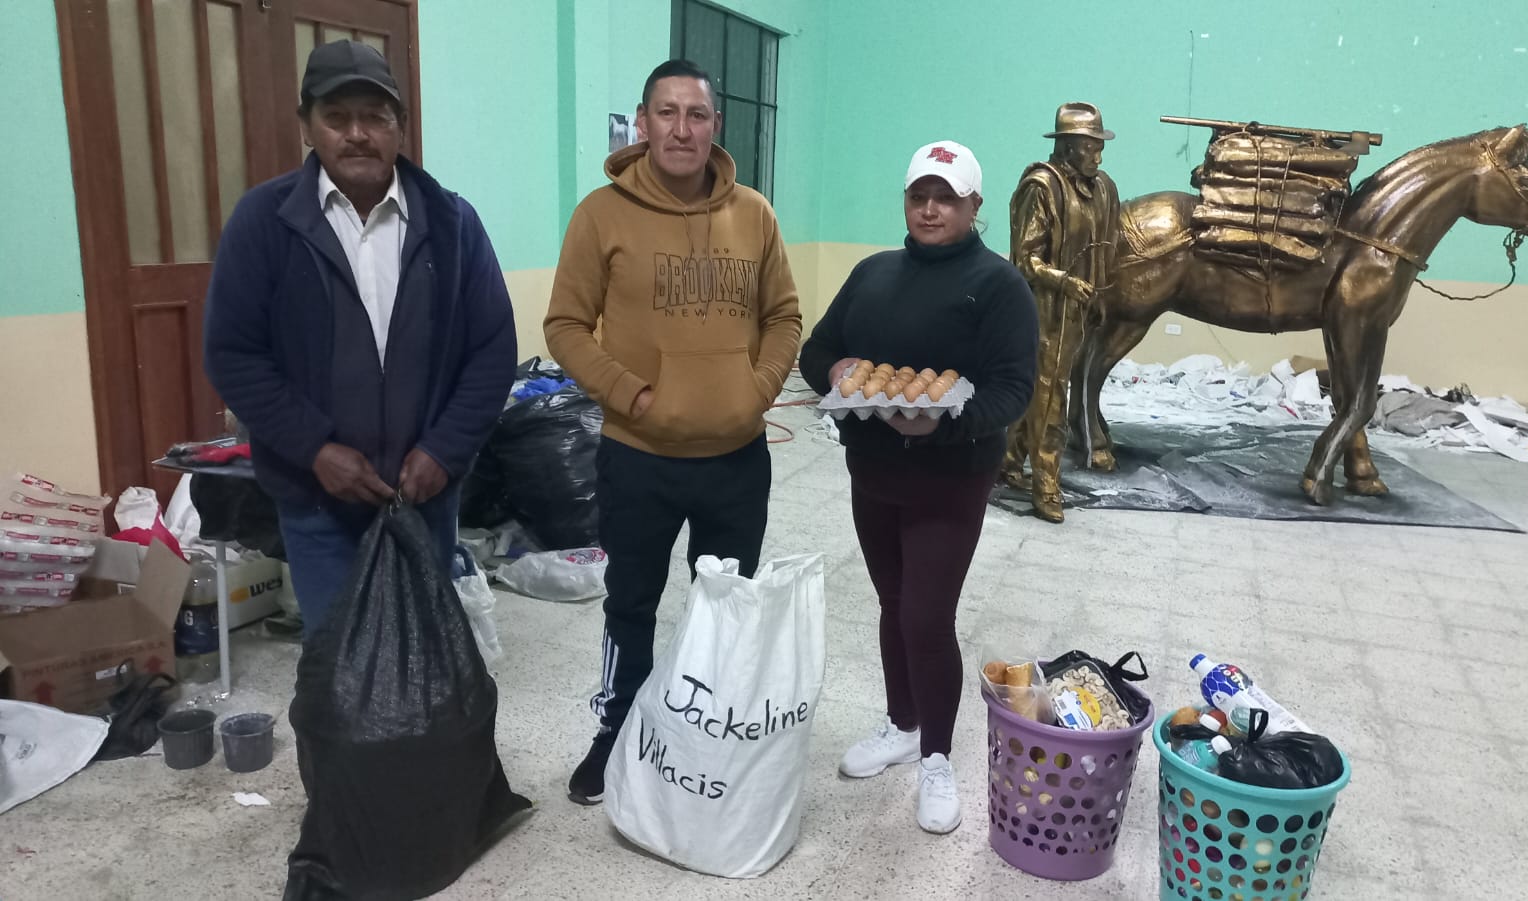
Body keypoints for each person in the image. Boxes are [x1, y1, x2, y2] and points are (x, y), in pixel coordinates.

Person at [544, 59, 802, 806]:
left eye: (696, 114)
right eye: (667, 112)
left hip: (736, 459)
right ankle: (616, 728)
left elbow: (784, 315)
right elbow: (565, 325)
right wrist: (631, 394)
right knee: (630, 602)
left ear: (715, 125)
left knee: (726, 609)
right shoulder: (601, 214)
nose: (682, 129)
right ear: (643, 122)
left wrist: (755, 389)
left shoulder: (755, 213)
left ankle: (706, 736)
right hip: (638, 456)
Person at [203, 40, 516, 635]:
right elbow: (233, 355)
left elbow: (492, 351)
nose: (356, 134)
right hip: (317, 503)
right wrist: (315, 450)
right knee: (340, 665)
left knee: (424, 657)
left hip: (425, 500)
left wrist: (444, 450)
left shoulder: (452, 224)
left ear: (401, 126)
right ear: (306, 127)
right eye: (337, 117)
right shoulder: (264, 223)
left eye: (374, 117)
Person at [797, 140, 1037, 833]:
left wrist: (944, 422)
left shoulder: (999, 286)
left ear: (974, 204)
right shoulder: (873, 274)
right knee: (892, 603)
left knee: (927, 618)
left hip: (949, 480)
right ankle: (902, 725)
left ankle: (936, 755)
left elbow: (1012, 390)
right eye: (919, 196)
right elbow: (818, 350)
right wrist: (835, 370)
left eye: (946, 198)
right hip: (873, 472)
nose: (931, 209)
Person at [999, 102, 1121, 522]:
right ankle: (1046, 484)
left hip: (1079, 308)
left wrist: (1099, 297)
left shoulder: (1102, 189)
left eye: (1100, 146)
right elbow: (1025, 259)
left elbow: (1105, 250)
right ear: (1068, 146)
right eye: (1091, 147)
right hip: (1043, 307)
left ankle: (1007, 462)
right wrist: (1064, 282)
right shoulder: (1041, 187)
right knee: (1051, 396)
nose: (1098, 155)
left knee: (1039, 388)